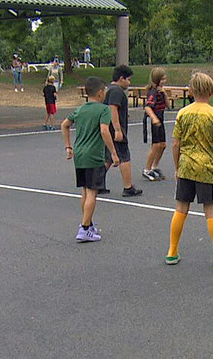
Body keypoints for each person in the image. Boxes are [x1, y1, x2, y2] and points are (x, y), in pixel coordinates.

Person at [165, 72, 213, 269]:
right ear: (211, 91)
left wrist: (177, 166)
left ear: (191, 90)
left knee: (181, 208)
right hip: (206, 166)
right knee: (211, 209)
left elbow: (175, 143)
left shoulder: (182, 113)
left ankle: (172, 251)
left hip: (186, 165)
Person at [61, 76, 120, 243]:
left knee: (85, 191)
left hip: (79, 154)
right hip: (93, 155)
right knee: (93, 192)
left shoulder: (80, 109)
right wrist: (114, 153)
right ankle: (84, 227)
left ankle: (89, 223)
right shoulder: (103, 110)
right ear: (100, 93)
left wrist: (68, 146)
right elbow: (104, 130)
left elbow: (64, 124)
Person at [104, 64, 142, 197]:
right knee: (124, 156)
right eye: (128, 79)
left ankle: (97, 183)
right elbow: (112, 108)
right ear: (121, 78)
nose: (129, 82)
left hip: (107, 130)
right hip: (114, 130)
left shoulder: (108, 89)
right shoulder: (116, 91)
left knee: (108, 157)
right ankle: (128, 187)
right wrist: (118, 130)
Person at [142, 67, 169, 181]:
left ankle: (154, 166)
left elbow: (167, 104)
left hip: (160, 119)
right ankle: (147, 169)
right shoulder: (152, 92)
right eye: (162, 79)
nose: (164, 81)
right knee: (155, 145)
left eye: (165, 79)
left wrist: (165, 94)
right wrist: (154, 118)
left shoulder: (161, 91)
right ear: (157, 79)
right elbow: (148, 108)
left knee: (163, 145)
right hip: (152, 120)